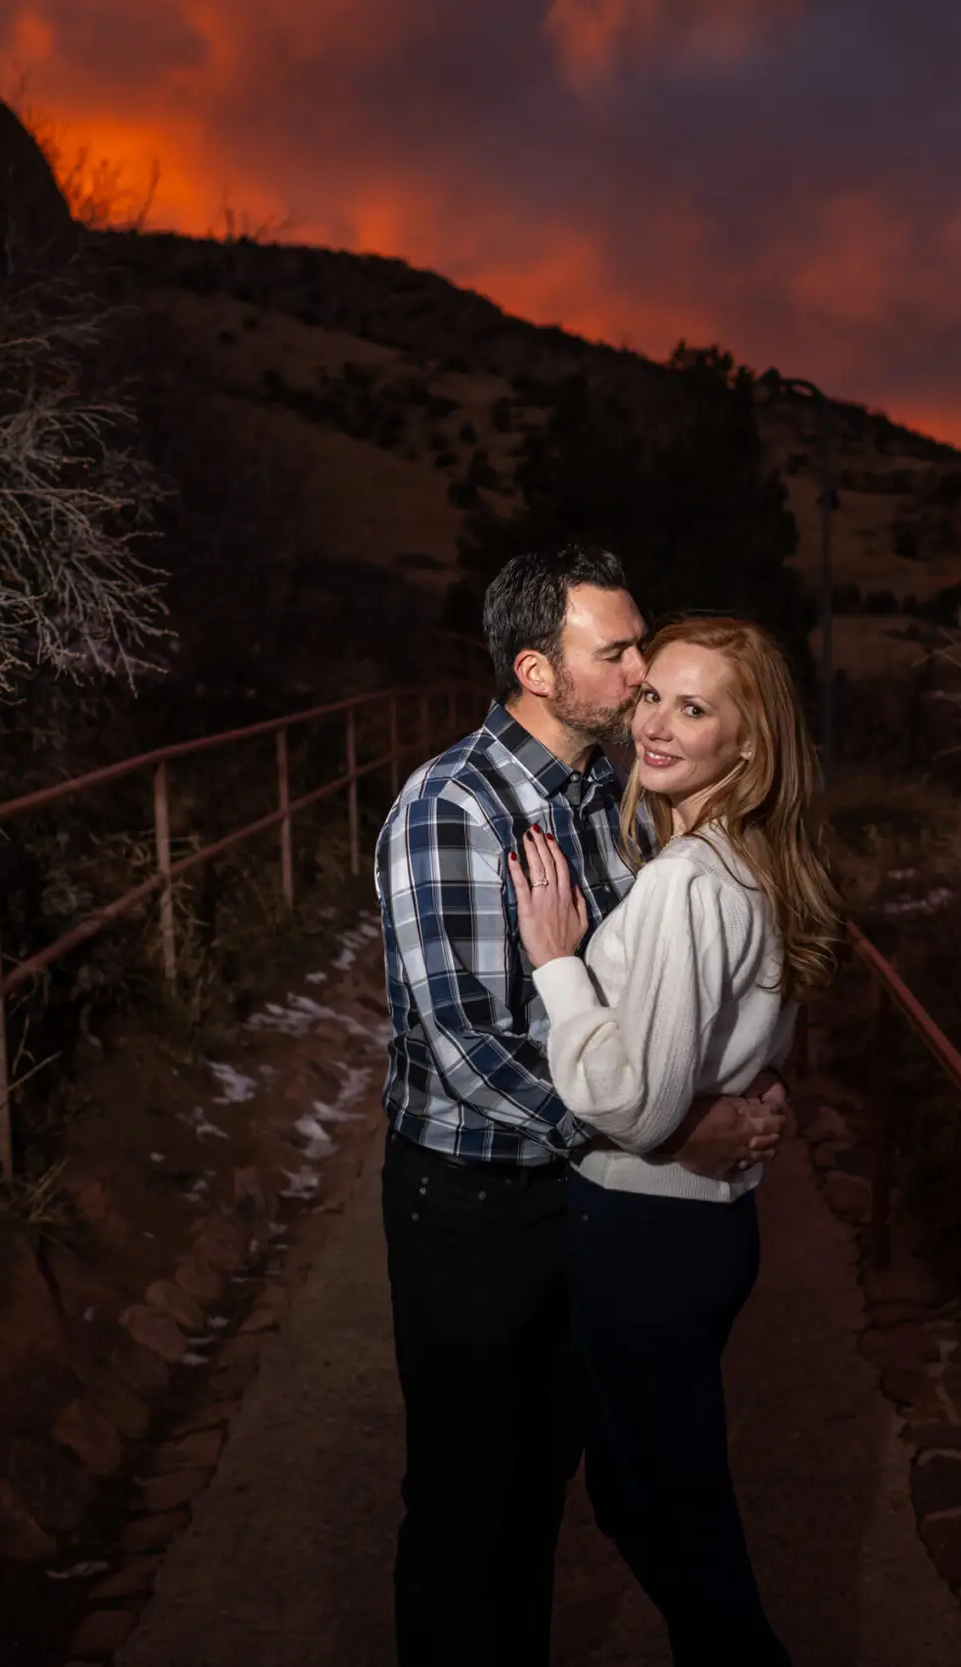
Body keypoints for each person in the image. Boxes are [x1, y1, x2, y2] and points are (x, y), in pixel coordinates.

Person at [375, 546, 786, 1667]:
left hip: (582, 1203)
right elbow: (470, 1049)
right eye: (618, 653)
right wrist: (658, 1122)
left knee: (547, 1485)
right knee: (466, 1503)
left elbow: (649, 994)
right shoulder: (450, 808)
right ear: (537, 671)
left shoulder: (613, 790)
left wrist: (723, 1071)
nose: (642, 667)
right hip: (468, 1206)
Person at [509, 615, 844, 1667]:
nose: (654, 723)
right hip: (697, 1233)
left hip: (646, 1236)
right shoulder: (748, 860)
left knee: (687, 1531)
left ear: (745, 744)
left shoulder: (685, 882)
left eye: (694, 709)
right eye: (653, 694)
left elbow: (640, 1105)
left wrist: (557, 962)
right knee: (634, 1484)